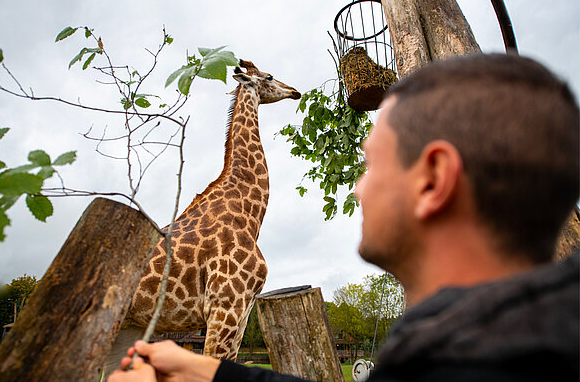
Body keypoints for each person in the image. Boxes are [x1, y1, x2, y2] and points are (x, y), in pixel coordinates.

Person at [108, 53, 579, 382]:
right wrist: (216, 374)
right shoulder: (503, 344)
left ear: (433, 178)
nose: (357, 186)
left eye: (371, 164)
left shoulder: (455, 356)